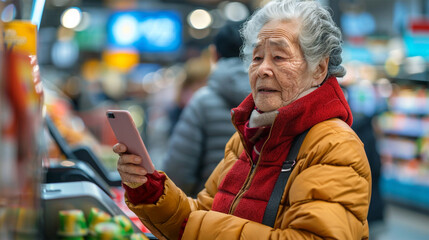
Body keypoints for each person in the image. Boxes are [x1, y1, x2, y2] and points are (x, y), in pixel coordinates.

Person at [113, 1, 371, 239]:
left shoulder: (334, 146)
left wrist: (204, 227)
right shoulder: (246, 139)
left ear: (319, 69)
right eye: (257, 57)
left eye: (279, 57)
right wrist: (150, 190)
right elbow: (199, 215)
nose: (263, 69)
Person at [161, 20, 251, 196]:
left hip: (208, 211)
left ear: (214, 54)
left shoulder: (202, 102)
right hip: (254, 212)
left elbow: (177, 175)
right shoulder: (272, 98)